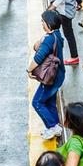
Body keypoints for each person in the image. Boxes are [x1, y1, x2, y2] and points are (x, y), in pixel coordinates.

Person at [29, 10, 66, 139]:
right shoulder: (56, 35)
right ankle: (56, 126)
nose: (41, 23)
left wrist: (29, 70)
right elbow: (35, 47)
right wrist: (43, 38)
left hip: (51, 77)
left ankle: (52, 127)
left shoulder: (50, 39)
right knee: (50, 102)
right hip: (58, 74)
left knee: (37, 102)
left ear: (48, 23)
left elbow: (38, 57)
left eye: (43, 21)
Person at [49, 0, 80, 66]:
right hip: (65, 11)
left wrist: (48, 11)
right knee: (61, 32)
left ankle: (74, 57)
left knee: (67, 34)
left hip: (65, 12)